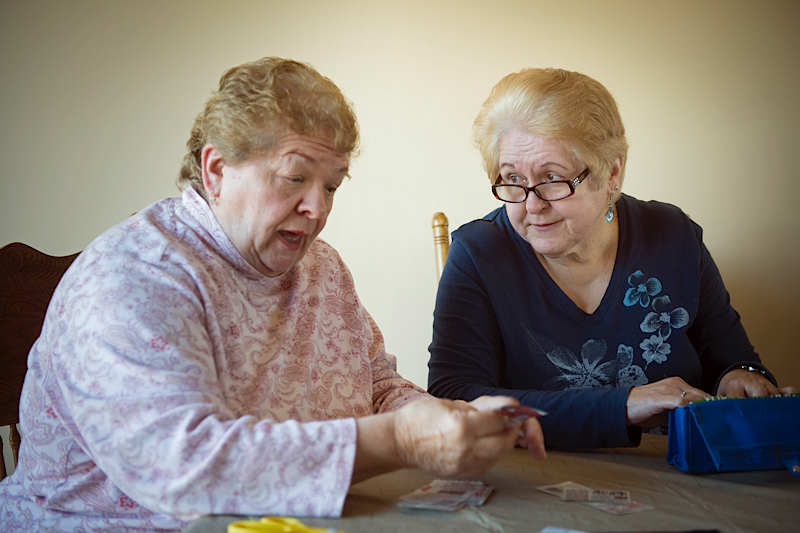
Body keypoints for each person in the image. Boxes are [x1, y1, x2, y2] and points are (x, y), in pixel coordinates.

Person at [0, 57, 545, 533]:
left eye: (331, 185)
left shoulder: (322, 266)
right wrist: (402, 441)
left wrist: (452, 420)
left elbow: (377, 386)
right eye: (294, 178)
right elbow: (185, 469)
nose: (318, 208)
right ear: (216, 170)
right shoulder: (133, 278)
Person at [427, 67, 796, 449]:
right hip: (536, 481)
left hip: (677, 475)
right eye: (513, 179)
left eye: (552, 177)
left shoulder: (673, 236)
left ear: (612, 172)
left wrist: (742, 376)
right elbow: (455, 400)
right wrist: (622, 406)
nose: (532, 205)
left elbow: (732, 358)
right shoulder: (479, 254)